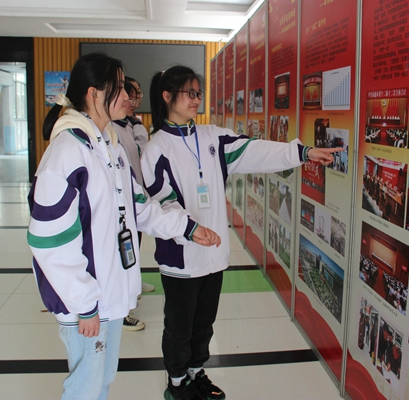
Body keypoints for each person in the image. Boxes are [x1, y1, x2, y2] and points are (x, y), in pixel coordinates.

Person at [140, 65, 344, 400]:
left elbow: (255, 150)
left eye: (198, 93)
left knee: (204, 323)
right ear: (167, 96)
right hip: (181, 258)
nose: (196, 99)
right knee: (179, 327)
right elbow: (162, 202)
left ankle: (196, 372)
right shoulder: (156, 149)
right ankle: (176, 383)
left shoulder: (212, 137)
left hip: (213, 254)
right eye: (189, 93)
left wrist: (302, 153)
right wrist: (191, 229)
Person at [27, 53, 220, 400]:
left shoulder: (109, 147)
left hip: (109, 295)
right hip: (87, 304)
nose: (129, 97)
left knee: (101, 381)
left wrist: (187, 228)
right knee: (85, 388)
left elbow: (140, 207)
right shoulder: (68, 152)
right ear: (94, 94)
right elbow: (48, 239)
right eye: (118, 88)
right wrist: (85, 303)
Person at [112, 79, 153, 331]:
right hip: (123, 204)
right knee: (122, 252)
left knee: (133, 248)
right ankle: (122, 311)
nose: (132, 99)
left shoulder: (127, 125)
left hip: (134, 198)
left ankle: (133, 286)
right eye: (128, 94)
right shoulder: (111, 130)